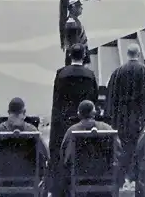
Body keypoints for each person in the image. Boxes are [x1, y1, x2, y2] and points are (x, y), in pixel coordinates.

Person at [105, 44, 145, 186]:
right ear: (139, 54)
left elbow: (110, 98)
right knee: (140, 149)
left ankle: (122, 178)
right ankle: (136, 177)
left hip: (122, 119)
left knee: (123, 149)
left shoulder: (117, 73)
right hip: (142, 119)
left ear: (127, 54)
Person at [49, 44, 99, 197]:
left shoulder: (61, 74)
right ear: (83, 55)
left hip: (64, 122)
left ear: (70, 56)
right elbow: (93, 99)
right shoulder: (89, 75)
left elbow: (56, 101)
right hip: (83, 121)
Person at [59, 100, 122, 196]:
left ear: (79, 114)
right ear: (94, 112)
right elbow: (118, 153)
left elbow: (65, 156)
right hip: (104, 176)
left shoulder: (71, 131)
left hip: (78, 177)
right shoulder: (108, 128)